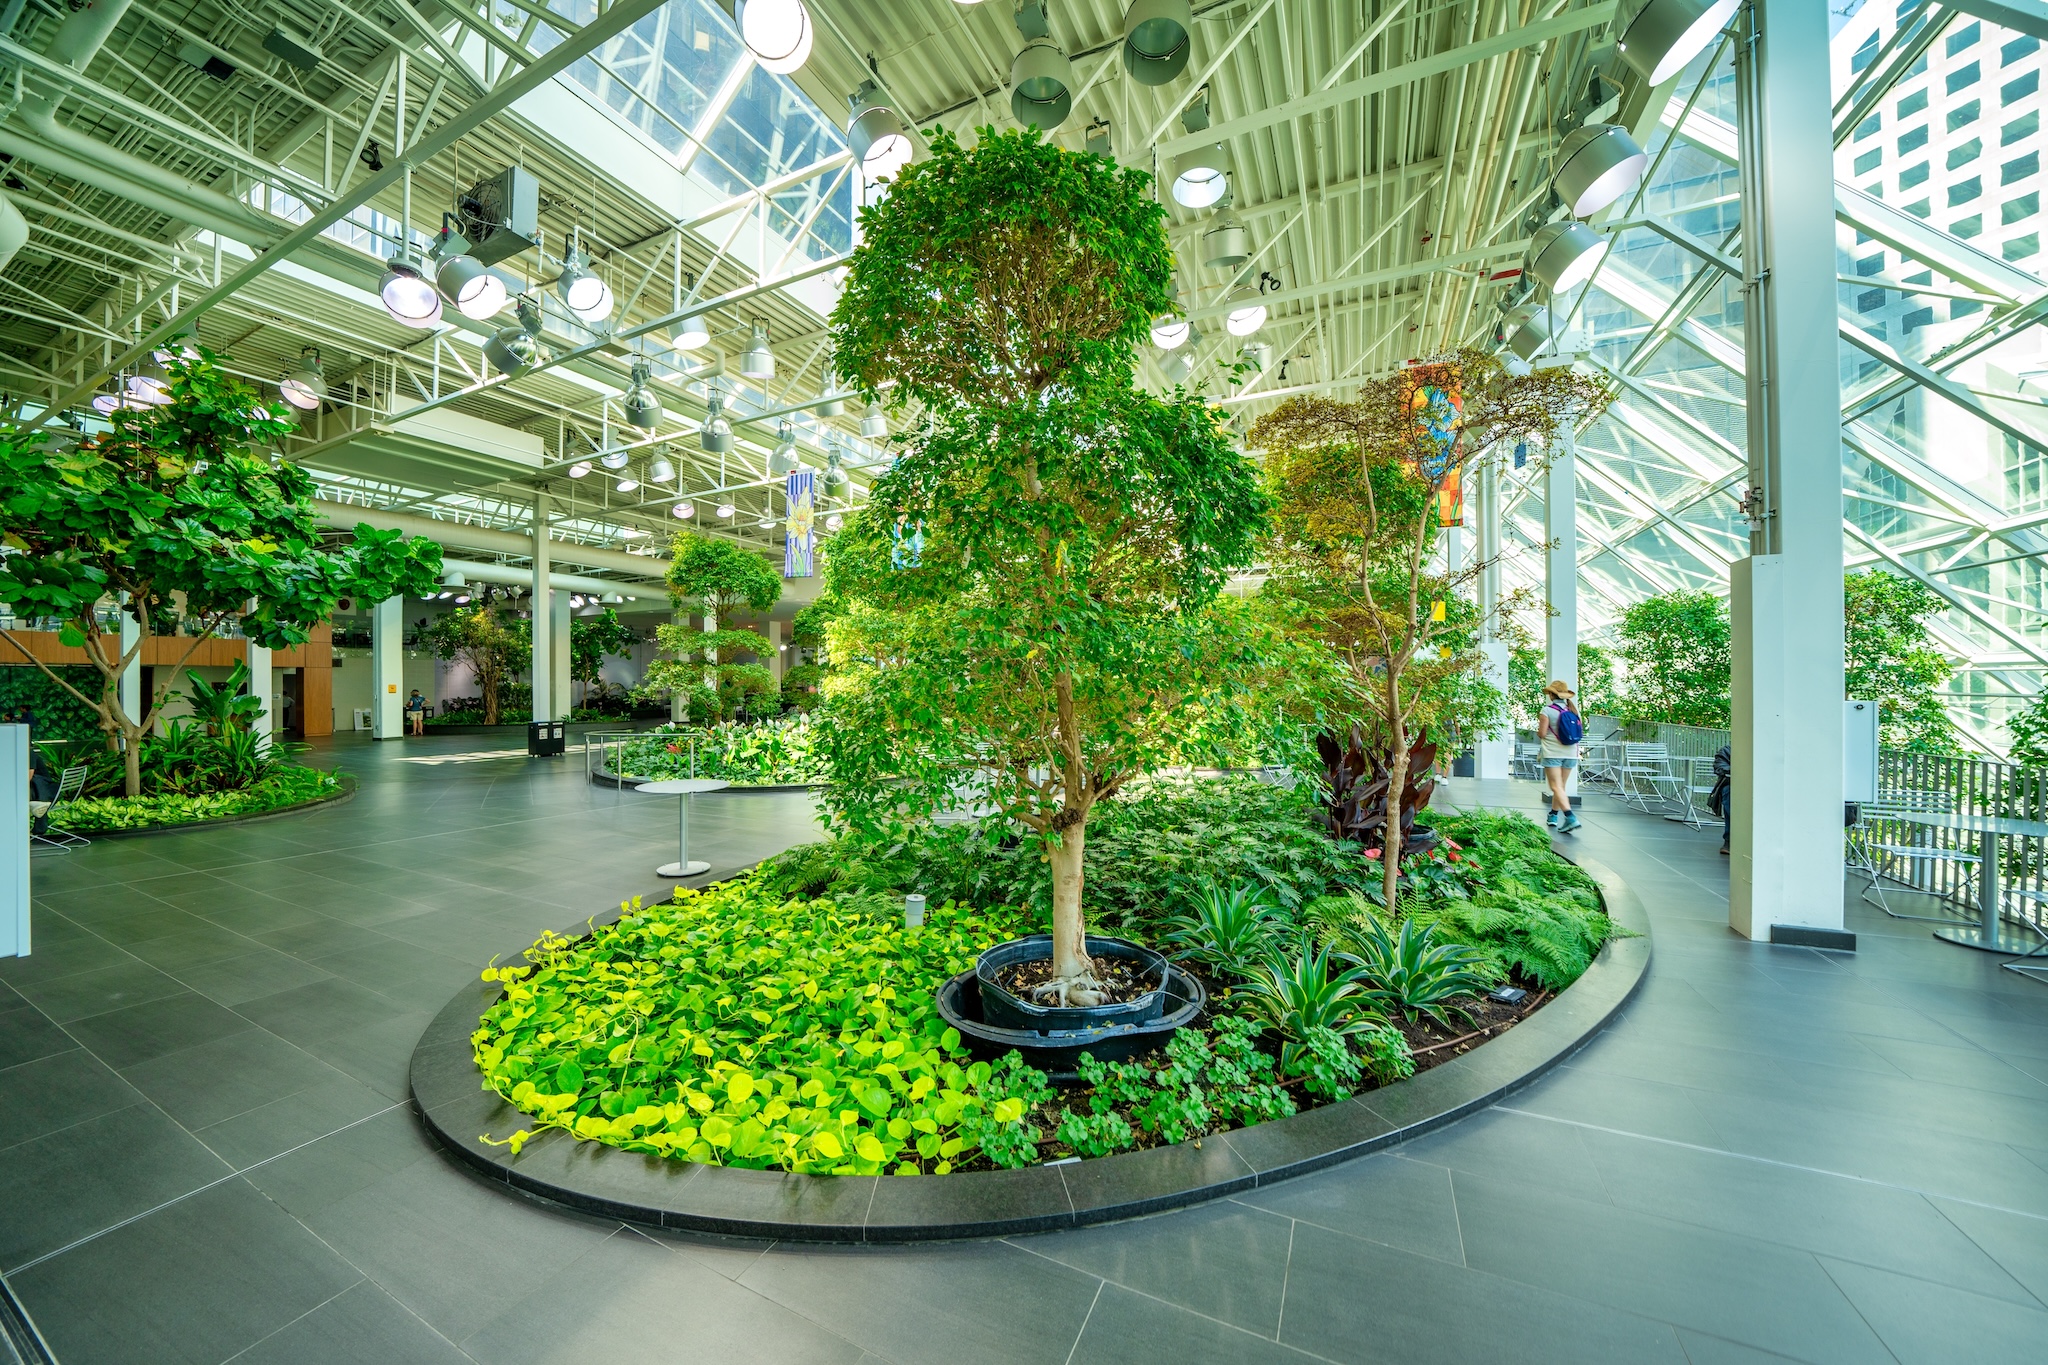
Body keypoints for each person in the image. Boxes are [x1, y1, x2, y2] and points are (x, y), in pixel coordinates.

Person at [1537, 679, 1582, 834]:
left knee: (1555, 787)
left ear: (1551, 695)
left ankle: (1570, 817)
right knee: (1560, 787)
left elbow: (1542, 734)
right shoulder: (1573, 711)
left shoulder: (1547, 711)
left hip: (1552, 753)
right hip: (1571, 753)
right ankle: (1553, 815)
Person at [1711, 743, 1731, 855]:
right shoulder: (1727, 750)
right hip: (1733, 784)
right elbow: (1720, 767)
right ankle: (1729, 840)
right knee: (1729, 792)